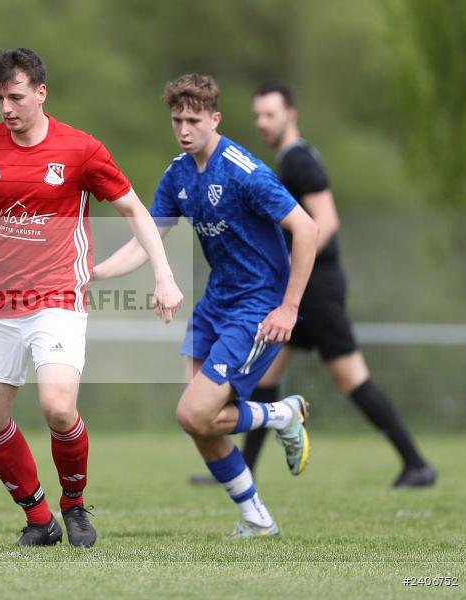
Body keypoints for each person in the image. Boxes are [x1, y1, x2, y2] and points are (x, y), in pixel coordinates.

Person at [0, 48, 182, 547]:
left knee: (59, 408)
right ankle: (40, 519)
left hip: (58, 298)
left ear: (41, 93)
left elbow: (134, 209)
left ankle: (75, 504)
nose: (6, 107)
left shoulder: (81, 150)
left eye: (15, 96)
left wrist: (164, 275)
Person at [94, 74, 320, 537]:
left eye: (193, 119)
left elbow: (308, 229)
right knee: (201, 423)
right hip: (215, 304)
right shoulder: (177, 174)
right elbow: (147, 240)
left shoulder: (243, 170)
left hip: (257, 307)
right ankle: (258, 519)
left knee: (192, 413)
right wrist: (94, 273)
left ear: (214, 118)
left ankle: (282, 414)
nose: (183, 128)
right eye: (177, 119)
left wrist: (289, 308)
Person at [202, 83, 433, 488]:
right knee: (264, 378)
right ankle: (241, 472)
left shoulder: (299, 161)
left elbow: (326, 221)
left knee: (351, 378)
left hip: (317, 290)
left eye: (270, 114)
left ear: (291, 114)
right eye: (258, 115)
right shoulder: (288, 160)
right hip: (300, 290)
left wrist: (289, 272)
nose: (262, 123)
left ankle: (416, 464)